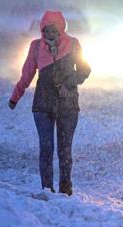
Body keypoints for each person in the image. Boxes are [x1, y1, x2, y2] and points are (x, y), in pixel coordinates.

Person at [9, 11, 91, 196]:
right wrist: (15, 96)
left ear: (61, 30)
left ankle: (65, 187)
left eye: (53, 31)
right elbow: (27, 74)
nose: (49, 35)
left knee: (65, 150)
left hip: (68, 105)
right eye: (46, 31)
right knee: (46, 148)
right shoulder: (36, 47)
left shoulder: (73, 44)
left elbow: (85, 69)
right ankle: (47, 188)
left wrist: (70, 83)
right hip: (43, 105)